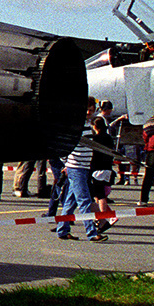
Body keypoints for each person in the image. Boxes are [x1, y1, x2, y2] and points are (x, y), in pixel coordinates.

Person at [58, 101, 104, 242]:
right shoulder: (75, 126)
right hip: (76, 168)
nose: (89, 112)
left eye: (91, 110)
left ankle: (62, 230)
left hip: (83, 168)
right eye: (86, 110)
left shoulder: (88, 126)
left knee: (70, 202)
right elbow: (62, 147)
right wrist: (67, 163)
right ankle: (91, 233)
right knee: (85, 201)